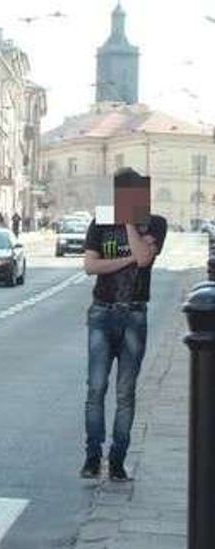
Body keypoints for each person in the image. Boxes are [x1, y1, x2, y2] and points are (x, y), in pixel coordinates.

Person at [80, 168, 167, 482]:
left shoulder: (155, 223)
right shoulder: (99, 223)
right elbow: (90, 266)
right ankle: (92, 457)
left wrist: (130, 220)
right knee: (96, 388)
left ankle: (117, 461)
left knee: (125, 392)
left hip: (134, 314)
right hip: (102, 313)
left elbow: (144, 259)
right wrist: (129, 257)